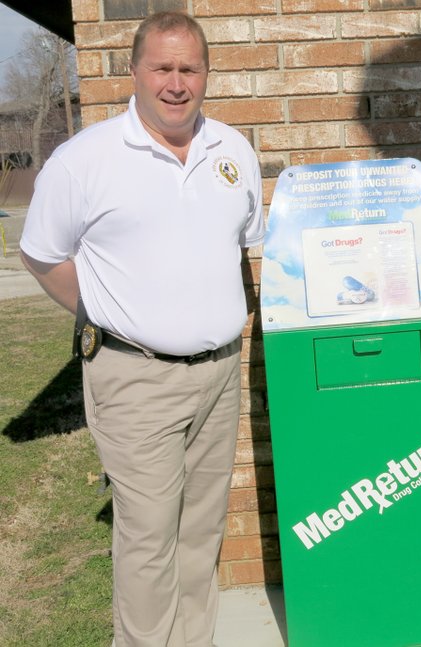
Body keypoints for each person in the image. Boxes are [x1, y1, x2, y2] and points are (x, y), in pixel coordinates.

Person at [20, 11, 265, 646]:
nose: (176, 83)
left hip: (218, 375)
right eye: (162, 67)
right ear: (135, 70)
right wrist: (107, 313)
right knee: (150, 541)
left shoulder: (232, 152)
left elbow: (240, 247)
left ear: (207, 73)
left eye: (189, 69)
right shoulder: (85, 161)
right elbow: (43, 255)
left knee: (200, 534)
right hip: (135, 379)